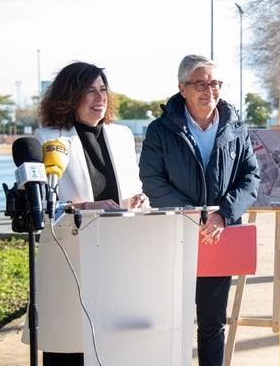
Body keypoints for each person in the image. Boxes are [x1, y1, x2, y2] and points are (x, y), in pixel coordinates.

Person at [22, 61, 148, 366]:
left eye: (103, 89)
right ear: (69, 97)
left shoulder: (121, 137)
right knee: (69, 351)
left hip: (116, 261)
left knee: (114, 352)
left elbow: (129, 191)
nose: (99, 97)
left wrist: (138, 200)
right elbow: (41, 207)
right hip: (70, 262)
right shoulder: (46, 138)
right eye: (89, 91)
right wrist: (84, 208)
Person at [139, 54, 260, 365]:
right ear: (183, 88)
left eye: (215, 83)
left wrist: (223, 214)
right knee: (172, 321)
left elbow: (251, 178)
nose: (210, 91)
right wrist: (192, 215)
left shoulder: (236, 127)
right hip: (175, 235)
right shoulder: (159, 130)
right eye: (201, 84)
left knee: (212, 323)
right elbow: (152, 181)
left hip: (219, 236)